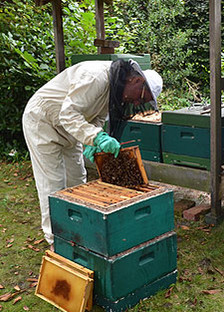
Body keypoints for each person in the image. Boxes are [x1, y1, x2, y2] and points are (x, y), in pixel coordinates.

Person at [22, 59, 163, 246]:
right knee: (53, 183)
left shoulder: (114, 90)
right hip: (43, 122)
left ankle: (79, 230)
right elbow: (68, 114)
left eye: (141, 102)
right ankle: (56, 240)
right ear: (136, 80)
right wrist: (96, 137)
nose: (136, 102)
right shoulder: (95, 76)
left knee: (77, 179)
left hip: (70, 130)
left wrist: (92, 140)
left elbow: (95, 119)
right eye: (140, 97)